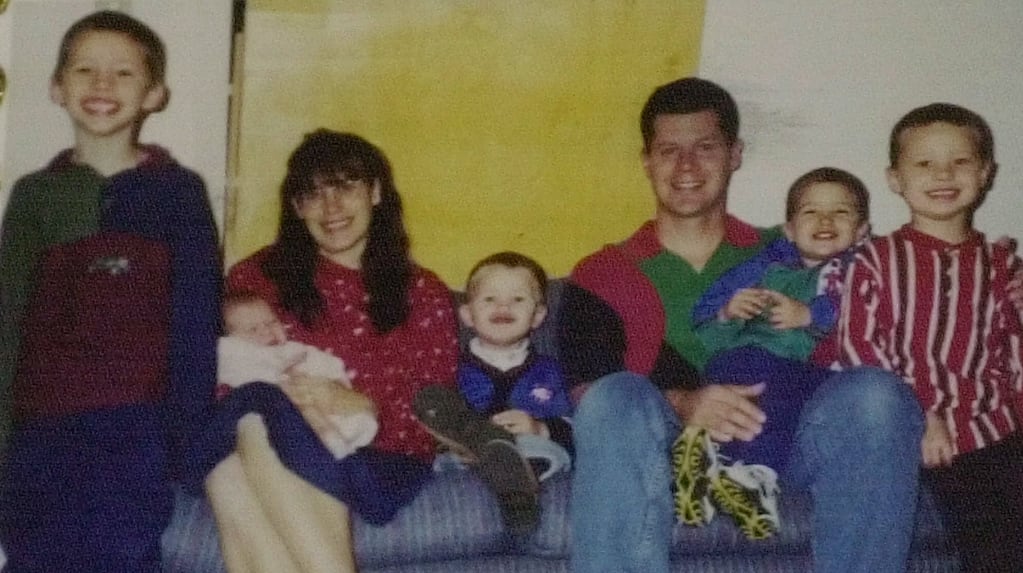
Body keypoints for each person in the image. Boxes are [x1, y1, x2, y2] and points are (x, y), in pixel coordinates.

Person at [559, 77, 924, 573]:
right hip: (659, 452)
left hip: (785, 437)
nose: (687, 166)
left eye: (705, 147)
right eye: (669, 151)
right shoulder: (603, 274)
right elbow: (587, 395)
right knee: (613, 395)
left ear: (735, 154)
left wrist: (998, 278)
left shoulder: (795, 251)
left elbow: (904, 281)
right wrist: (686, 403)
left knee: (877, 393)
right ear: (647, 161)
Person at [0, 11, 221, 572]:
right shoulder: (33, 196)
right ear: (57, 87)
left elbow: (195, 323)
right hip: (39, 428)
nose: (102, 84)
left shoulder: (179, 193)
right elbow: (7, 319)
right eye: (84, 70)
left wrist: (182, 438)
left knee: (120, 555)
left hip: (135, 428)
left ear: (154, 94)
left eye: (123, 73)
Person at [189, 129, 459, 573]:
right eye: (313, 194)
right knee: (252, 418)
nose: (331, 207)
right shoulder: (257, 278)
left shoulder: (422, 292)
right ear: (297, 208)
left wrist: (362, 403)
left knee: (244, 445)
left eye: (346, 187)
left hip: (374, 454)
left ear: (375, 192)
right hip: (257, 439)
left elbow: (436, 412)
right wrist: (289, 403)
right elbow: (214, 375)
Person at [839, 102, 1023, 572]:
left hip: (994, 427)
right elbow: (861, 351)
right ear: (895, 179)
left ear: (985, 173)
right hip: (918, 435)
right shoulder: (874, 260)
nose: (943, 173)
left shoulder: (1004, 266)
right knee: (990, 541)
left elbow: (1013, 355)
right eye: (924, 163)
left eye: (960, 161)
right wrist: (919, 413)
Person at [672, 167, 871, 536]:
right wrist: (729, 311)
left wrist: (811, 314)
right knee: (763, 395)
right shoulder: (764, 265)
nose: (825, 221)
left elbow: (869, 312)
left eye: (841, 212)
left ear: (861, 230)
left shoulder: (862, 270)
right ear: (789, 230)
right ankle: (742, 475)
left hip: (807, 376)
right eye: (811, 211)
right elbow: (704, 321)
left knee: (786, 408)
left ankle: (708, 470)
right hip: (746, 361)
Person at [415, 251, 573, 534]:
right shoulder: (451, 368)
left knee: (549, 452)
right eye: (489, 299)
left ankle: (517, 479)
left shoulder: (551, 371)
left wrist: (541, 428)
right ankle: (498, 466)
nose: (503, 306)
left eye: (518, 299)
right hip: (466, 454)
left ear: (538, 316)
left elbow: (573, 425)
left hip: (530, 449)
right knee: (434, 404)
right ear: (467, 314)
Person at [219, 291, 378, 460]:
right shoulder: (237, 353)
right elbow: (238, 372)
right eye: (253, 329)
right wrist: (279, 377)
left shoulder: (295, 349)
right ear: (232, 338)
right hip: (281, 411)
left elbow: (329, 364)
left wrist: (331, 381)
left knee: (361, 419)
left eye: (272, 322)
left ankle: (337, 440)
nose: (267, 331)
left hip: (320, 403)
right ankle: (324, 442)